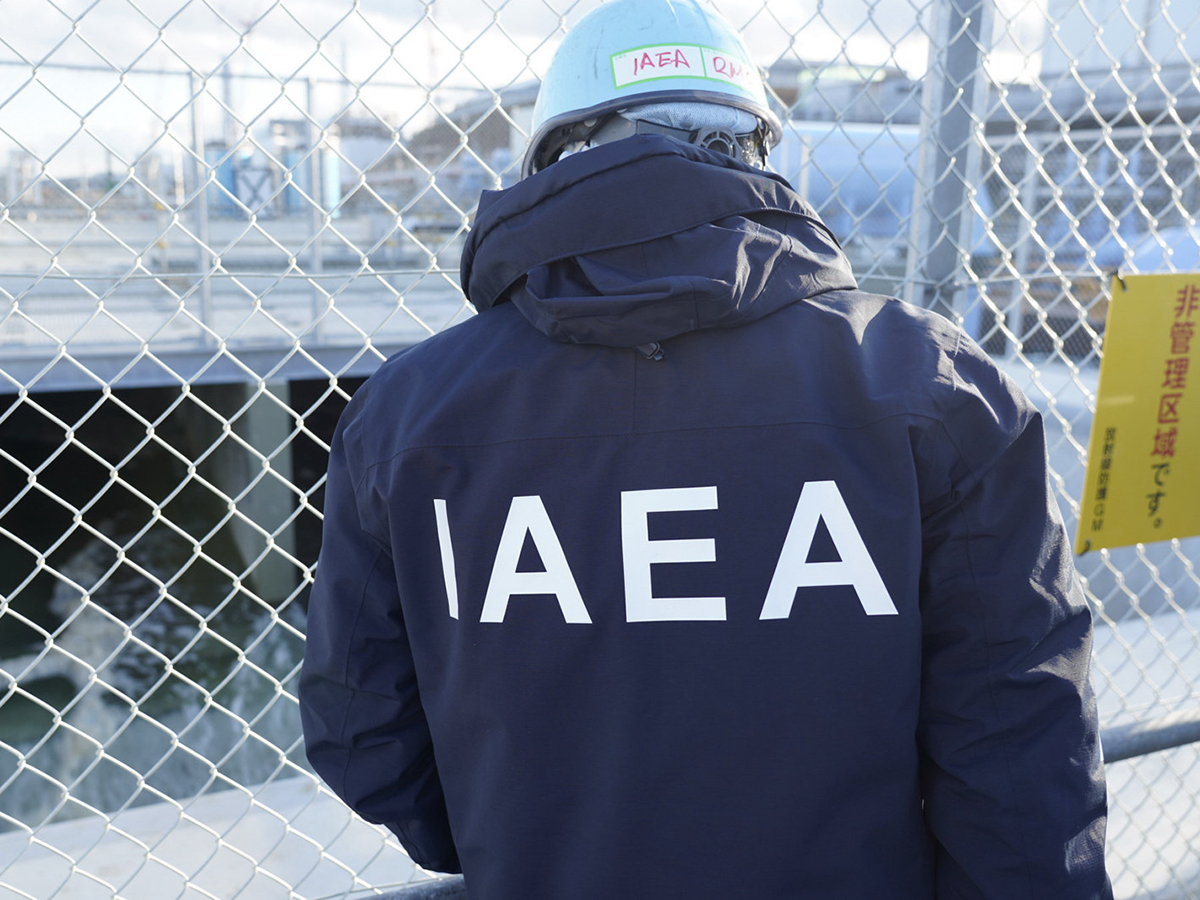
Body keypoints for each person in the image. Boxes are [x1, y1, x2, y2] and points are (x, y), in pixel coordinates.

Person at [299, 1, 1112, 897]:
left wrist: (519, 831)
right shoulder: (926, 382)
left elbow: (359, 726)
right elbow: (1019, 743)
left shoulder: (408, 416)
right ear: (759, 151)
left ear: (555, 158)